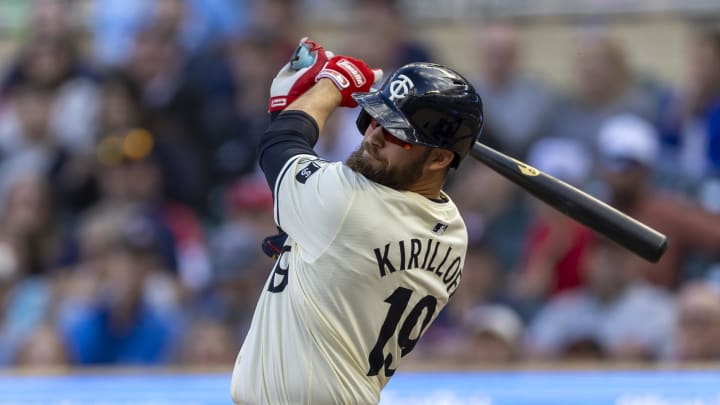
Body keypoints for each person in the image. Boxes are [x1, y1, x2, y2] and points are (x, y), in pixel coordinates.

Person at [230, 38, 484, 404]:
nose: (373, 137)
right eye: (374, 119)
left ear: (440, 158)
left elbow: (279, 145)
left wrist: (331, 86)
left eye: (398, 134)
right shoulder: (452, 229)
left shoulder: (349, 203)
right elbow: (334, 253)